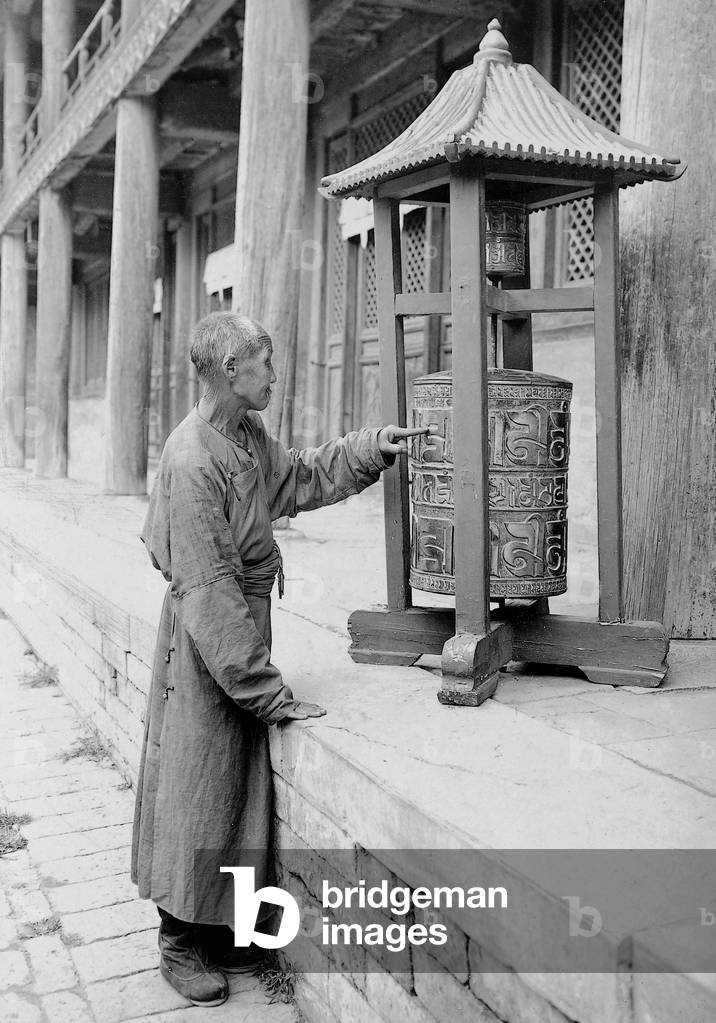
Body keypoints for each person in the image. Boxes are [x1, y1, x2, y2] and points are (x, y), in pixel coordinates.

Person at [131, 311, 422, 1007]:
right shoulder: (190, 458)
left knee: (235, 786)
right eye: (264, 364)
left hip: (238, 633)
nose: (274, 375)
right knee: (196, 786)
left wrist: (368, 449)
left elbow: (297, 479)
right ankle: (178, 936)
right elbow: (207, 593)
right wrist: (268, 689)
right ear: (230, 372)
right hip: (209, 645)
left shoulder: (247, 436)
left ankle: (225, 927)